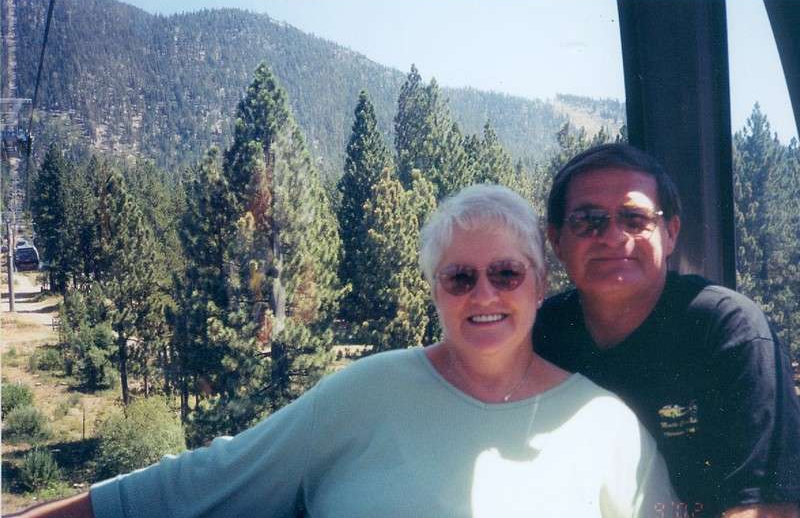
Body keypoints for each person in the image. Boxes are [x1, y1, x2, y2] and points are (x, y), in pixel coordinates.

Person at [8, 184, 674, 518]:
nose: (484, 294)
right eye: (459, 277)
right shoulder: (365, 394)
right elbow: (199, 481)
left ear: (540, 282)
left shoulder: (607, 427)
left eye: (506, 273)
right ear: (434, 290)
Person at [534, 143, 800, 518]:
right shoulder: (538, 335)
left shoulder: (728, 330)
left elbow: (767, 509)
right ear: (557, 240)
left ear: (671, 233)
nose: (613, 236)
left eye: (634, 219)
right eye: (588, 221)